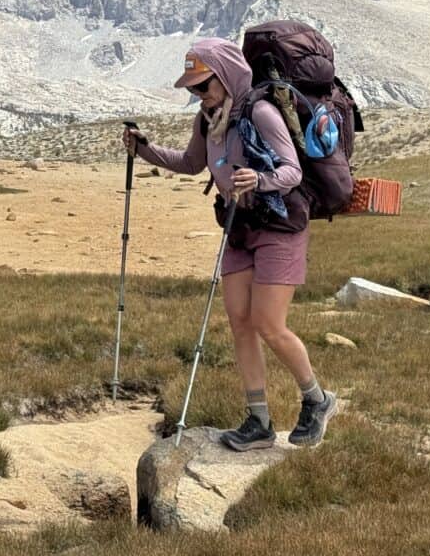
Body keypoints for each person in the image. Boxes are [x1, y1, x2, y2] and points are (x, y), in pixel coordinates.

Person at [122, 37, 338, 451]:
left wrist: (260, 179)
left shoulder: (260, 112)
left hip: (278, 225)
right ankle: (258, 421)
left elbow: (291, 170)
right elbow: (190, 163)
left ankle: (317, 399)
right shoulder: (207, 121)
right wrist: (145, 150)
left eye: (204, 85)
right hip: (239, 227)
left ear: (225, 76)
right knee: (240, 322)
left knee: (269, 325)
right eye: (193, 88)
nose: (198, 95)